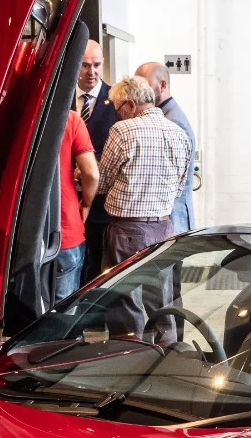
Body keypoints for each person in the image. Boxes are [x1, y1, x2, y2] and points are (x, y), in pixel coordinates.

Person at [99, 75, 192, 268]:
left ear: (130, 105)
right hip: (165, 229)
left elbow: (101, 183)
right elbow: (179, 188)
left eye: (118, 110)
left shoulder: (122, 130)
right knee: (159, 294)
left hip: (127, 233)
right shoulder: (179, 133)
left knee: (123, 294)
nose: (118, 115)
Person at [135, 61, 196, 232]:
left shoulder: (173, 122)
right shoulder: (167, 116)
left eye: (144, 85)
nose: (139, 91)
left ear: (162, 85)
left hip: (173, 218)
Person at [74, 40, 117, 283]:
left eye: (97, 65)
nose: (92, 72)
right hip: (69, 201)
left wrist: (88, 167)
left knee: (99, 270)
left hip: (101, 203)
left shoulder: (116, 100)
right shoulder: (61, 97)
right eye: (85, 66)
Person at [55, 109, 100, 301]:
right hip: (65, 225)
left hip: (19, 232)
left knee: (26, 315)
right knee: (65, 307)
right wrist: (86, 204)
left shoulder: (10, 114)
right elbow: (91, 173)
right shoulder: (70, 118)